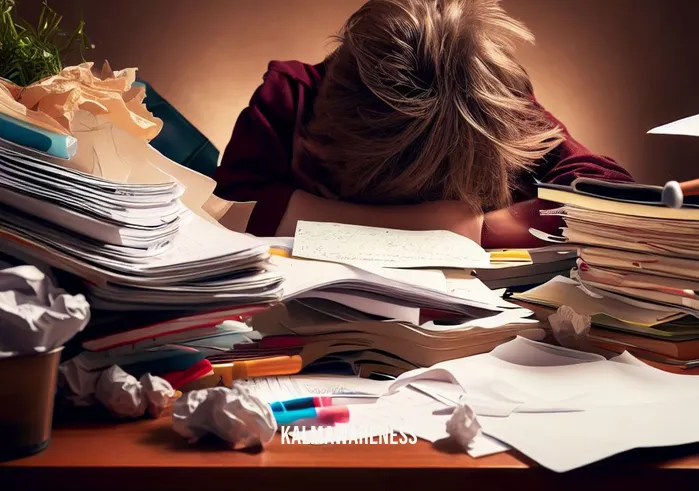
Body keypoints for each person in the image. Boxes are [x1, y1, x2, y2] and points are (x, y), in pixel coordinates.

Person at [214, 0, 632, 248]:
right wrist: (451, 227)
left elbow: (611, 198)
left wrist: (489, 227)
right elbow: (230, 211)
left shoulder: (493, 102)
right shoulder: (293, 97)